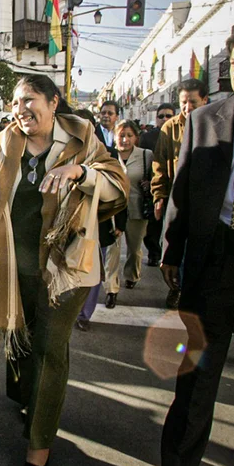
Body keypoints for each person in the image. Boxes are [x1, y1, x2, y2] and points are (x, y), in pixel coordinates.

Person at [0, 75, 127, 466]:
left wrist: (80, 173)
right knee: (19, 333)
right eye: (16, 103)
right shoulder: (3, 143)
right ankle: (26, 398)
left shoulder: (83, 137)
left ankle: (39, 443)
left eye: (30, 100)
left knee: (50, 351)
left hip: (66, 270)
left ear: (54, 103)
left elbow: (116, 187)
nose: (21, 109)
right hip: (14, 268)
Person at [159, 28, 234, 466]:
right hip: (217, 258)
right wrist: (171, 250)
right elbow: (183, 191)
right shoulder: (206, 119)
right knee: (196, 380)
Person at [151, 79, 209, 310]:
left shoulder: (214, 124)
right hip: (177, 201)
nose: (188, 108)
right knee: (174, 249)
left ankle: (195, 290)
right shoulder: (170, 128)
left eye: (193, 102)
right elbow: (159, 165)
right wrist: (159, 196)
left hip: (205, 202)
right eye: (184, 103)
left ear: (205, 100)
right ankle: (176, 289)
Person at [72, 109, 127, 330]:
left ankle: (85, 315)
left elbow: (120, 189)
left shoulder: (109, 154)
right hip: (70, 225)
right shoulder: (62, 152)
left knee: (93, 271)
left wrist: (120, 223)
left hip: (100, 223)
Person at [101, 120, 152, 309]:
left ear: (135, 138)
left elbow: (155, 179)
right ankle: (111, 289)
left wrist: (150, 185)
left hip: (137, 209)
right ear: (115, 137)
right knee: (112, 251)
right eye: (121, 135)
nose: (125, 139)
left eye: (129, 135)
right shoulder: (108, 155)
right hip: (114, 210)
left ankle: (132, 275)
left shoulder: (146, 156)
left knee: (134, 248)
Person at [140, 103, 176, 267]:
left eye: (168, 115)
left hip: (175, 186)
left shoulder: (180, 132)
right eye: (161, 116)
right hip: (154, 186)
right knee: (153, 223)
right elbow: (142, 160)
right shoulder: (148, 137)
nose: (164, 119)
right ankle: (154, 253)